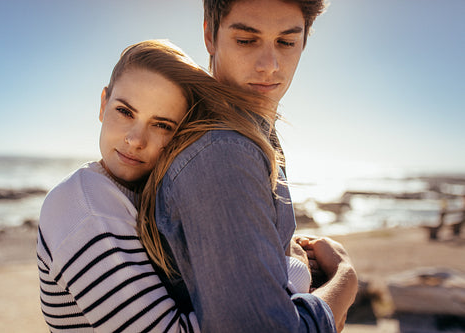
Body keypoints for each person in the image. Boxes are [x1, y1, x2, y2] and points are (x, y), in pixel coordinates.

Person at [37, 40, 313, 332]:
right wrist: (292, 269)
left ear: (181, 133)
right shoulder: (84, 203)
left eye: (162, 125)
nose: (136, 139)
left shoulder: (146, 197)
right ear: (104, 104)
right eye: (125, 111)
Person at [138, 0, 358, 332]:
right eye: (246, 40)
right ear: (210, 35)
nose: (269, 65)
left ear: (304, 42)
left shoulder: (253, 138)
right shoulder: (224, 152)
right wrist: (345, 279)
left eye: (286, 42)